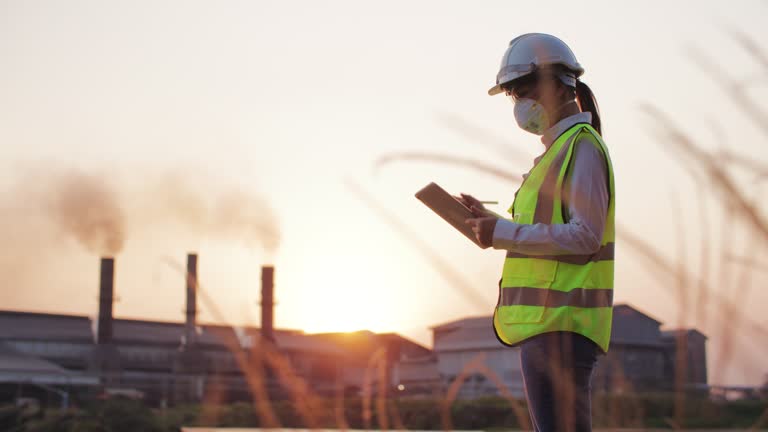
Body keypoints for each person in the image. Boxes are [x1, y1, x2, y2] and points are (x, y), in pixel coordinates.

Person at [462, 33, 616, 432]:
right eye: (514, 97)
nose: (520, 105)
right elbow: (546, 230)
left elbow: (585, 237)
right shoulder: (558, 152)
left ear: (554, 84)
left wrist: (502, 233)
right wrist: (491, 224)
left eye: (522, 92)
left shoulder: (581, 148)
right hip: (546, 329)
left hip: (561, 329)